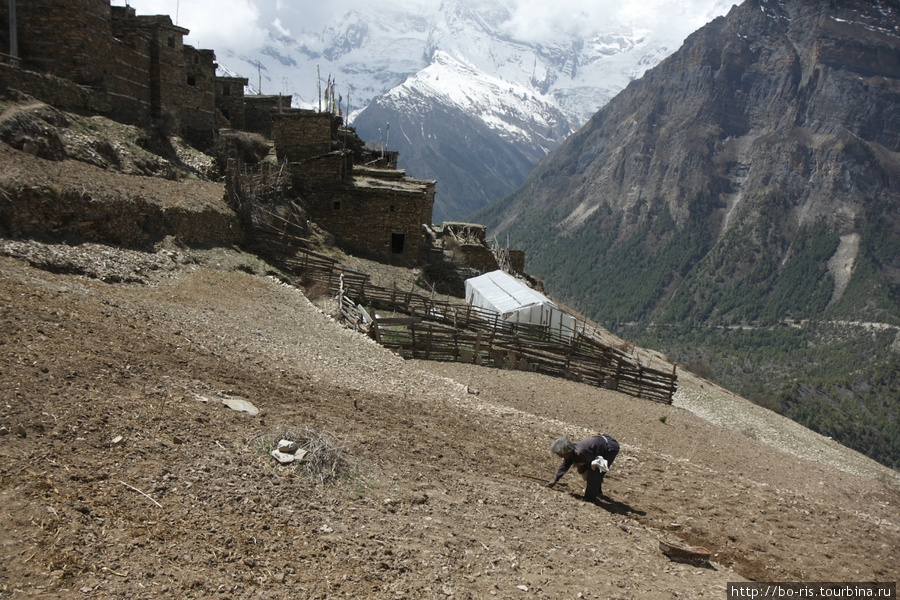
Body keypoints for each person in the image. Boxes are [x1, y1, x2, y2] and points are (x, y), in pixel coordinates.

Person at [546, 434, 619, 501]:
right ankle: (597, 492)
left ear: (566, 451)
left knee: (595, 472)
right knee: (592, 472)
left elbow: (591, 465)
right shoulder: (571, 453)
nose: (560, 456)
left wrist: (583, 468)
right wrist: (555, 480)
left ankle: (589, 498)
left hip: (610, 447)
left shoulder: (581, 452)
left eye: (560, 454)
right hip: (600, 444)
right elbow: (565, 465)